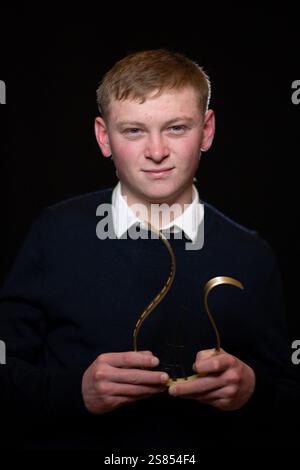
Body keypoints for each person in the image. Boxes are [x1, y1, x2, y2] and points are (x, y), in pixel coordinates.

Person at [0, 49, 298, 452]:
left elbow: (287, 392)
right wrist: (75, 392)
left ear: (206, 130)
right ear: (104, 137)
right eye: (134, 131)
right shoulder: (54, 233)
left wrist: (252, 392)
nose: (156, 151)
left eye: (176, 128)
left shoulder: (252, 254)